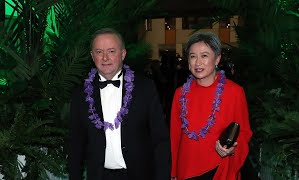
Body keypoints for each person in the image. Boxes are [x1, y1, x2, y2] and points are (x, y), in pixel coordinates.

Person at [68, 28, 171, 180]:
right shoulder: (80, 94)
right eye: (99, 52)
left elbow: (160, 140)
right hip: (99, 176)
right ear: (92, 56)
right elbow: (76, 144)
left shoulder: (144, 88)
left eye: (111, 51)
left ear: (123, 54)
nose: (105, 58)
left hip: (139, 175)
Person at [170, 32, 252, 180]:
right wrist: (173, 172)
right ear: (188, 62)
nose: (198, 62)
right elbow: (175, 137)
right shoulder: (180, 94)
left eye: (204, 55)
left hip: (220, 168)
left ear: (217, 59)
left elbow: (244, 132)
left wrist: (231, 150)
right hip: (186, 169)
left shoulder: (234, 92)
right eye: (193, 56)